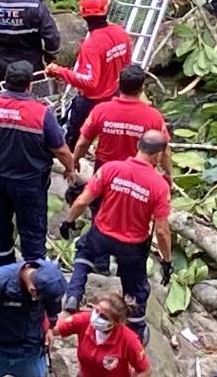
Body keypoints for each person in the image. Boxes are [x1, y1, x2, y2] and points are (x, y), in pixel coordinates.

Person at [59, 131, 174, 343]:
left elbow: (83, 200)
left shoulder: (111, 169)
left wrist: (68, 221)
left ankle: (74, 294)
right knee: (137, 287)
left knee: (84, 251)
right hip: (132, 245)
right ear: (158, 155)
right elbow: (162, 231)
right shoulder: (159, 186)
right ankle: (136, 331)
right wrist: (167, 261)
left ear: (138, 146)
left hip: (102, 233)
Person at [0, 60, 78, 266]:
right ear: (30, 85)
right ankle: (33, 274)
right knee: (32, 229)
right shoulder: (41, 113)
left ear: (5, 82)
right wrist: (70, 169)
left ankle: (3, 270)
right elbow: (60, 149)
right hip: (29, 183)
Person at [67, 65, 172, 274]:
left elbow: (83, 141)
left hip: (104, 171)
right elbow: (164, 150)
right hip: (141, 176)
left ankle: (101, 263)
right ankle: (128, 271)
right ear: (142, 89)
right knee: (135, 219)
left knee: (100, 214)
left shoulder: (101, 110)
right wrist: (168, 174)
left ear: (118, 85)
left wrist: (74, 162)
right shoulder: (152, 117)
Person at [46, 0, 132, 152]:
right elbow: (126, 64)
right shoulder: (121, 33)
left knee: (73, 136)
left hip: (92, 101)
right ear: (106, 9)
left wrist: (59, 71)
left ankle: (70, 162)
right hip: (114, 94)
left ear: (83, 14)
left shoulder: (91, 44)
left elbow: (90, 82)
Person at [54, 291, 151, 377]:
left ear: (116, 322)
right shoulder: (84, 320)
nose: (96, 317)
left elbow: (145, 370)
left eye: (104, 317)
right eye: (96, 310)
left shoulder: (129, 340)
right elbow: (56, 328)